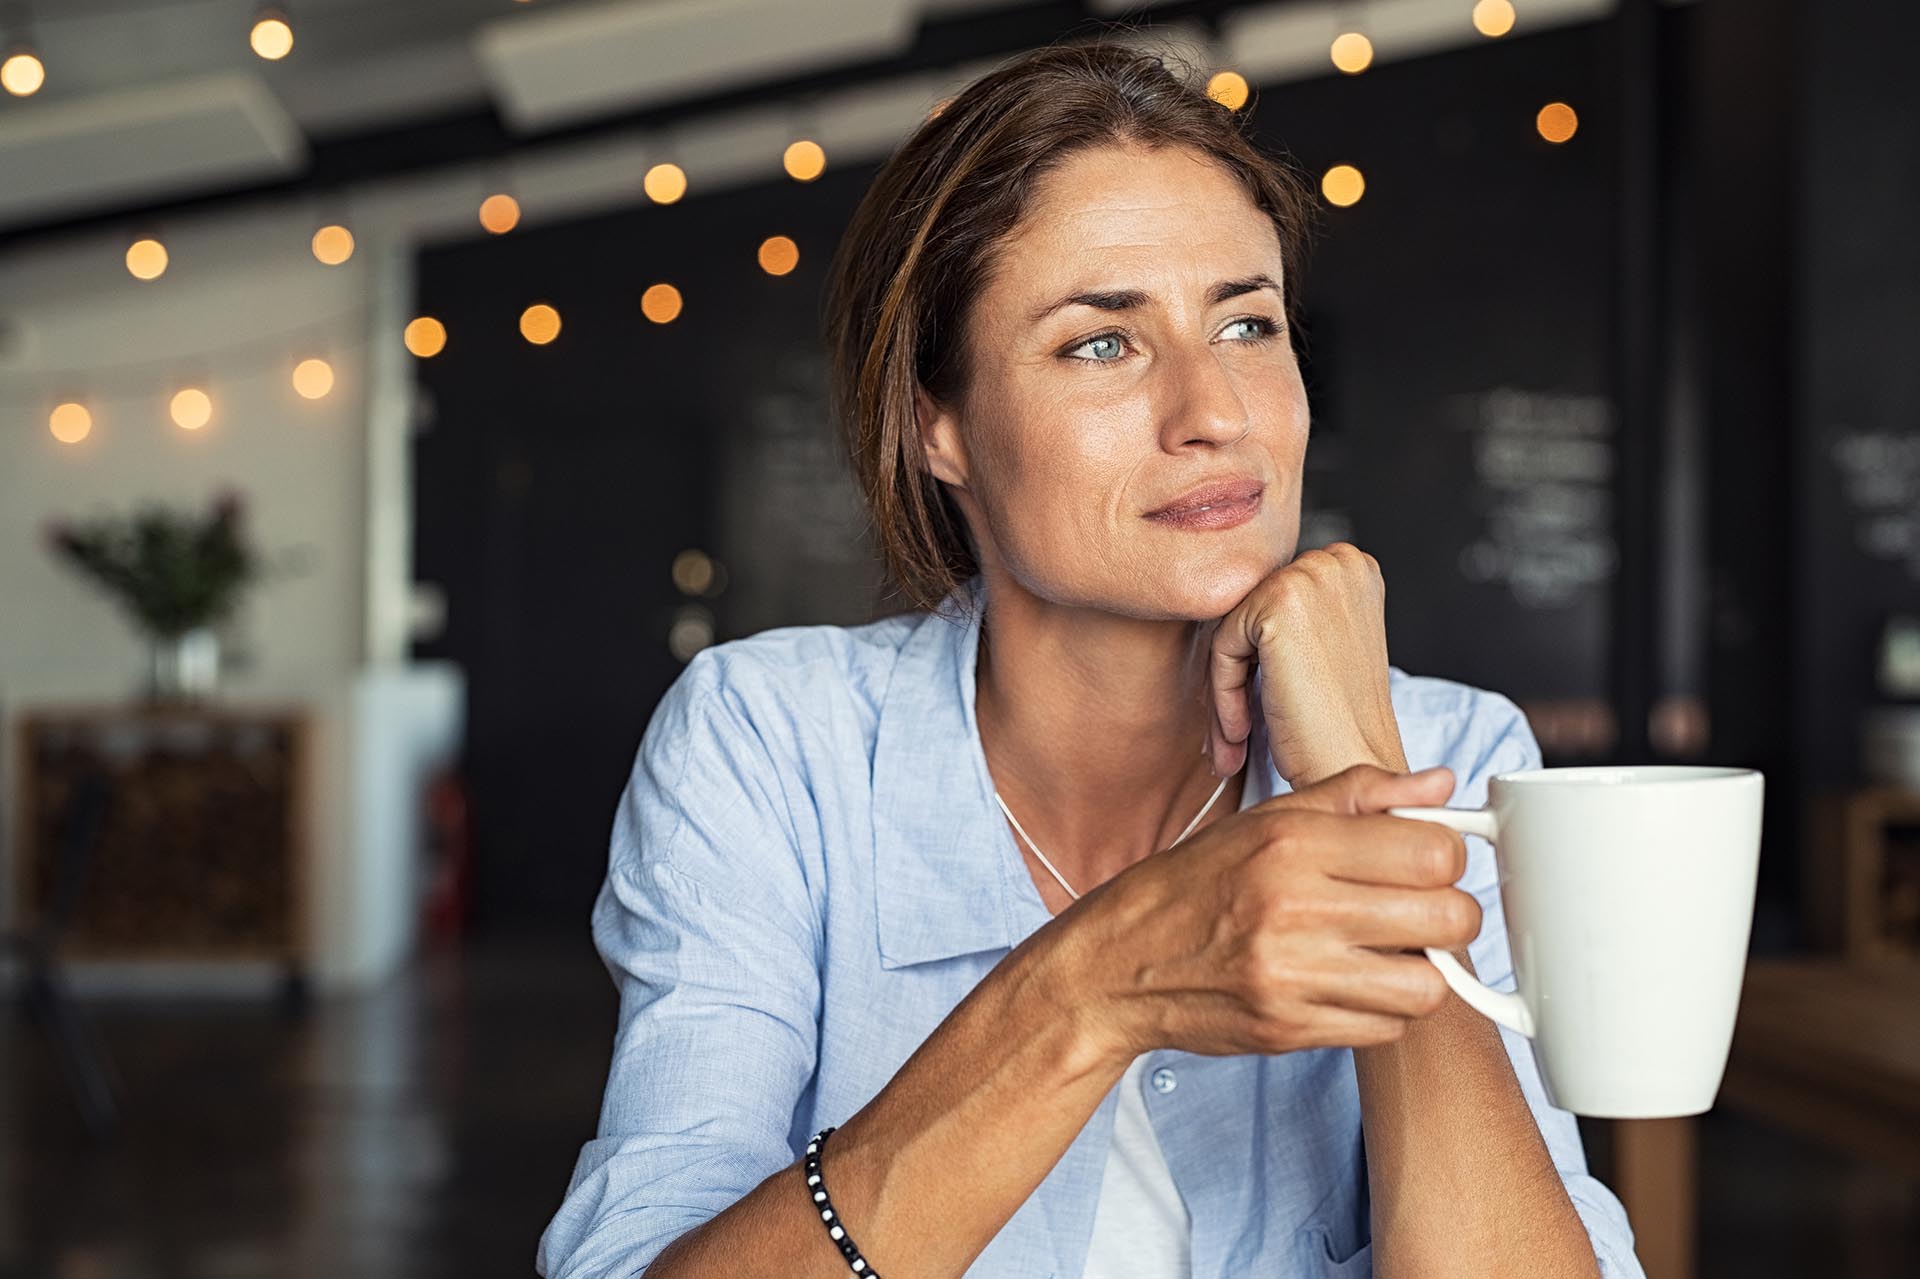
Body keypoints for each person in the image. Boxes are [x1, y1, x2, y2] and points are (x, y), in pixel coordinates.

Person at [537, 38, 1641, 1279]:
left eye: (1247, 323)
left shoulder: (1451, 756)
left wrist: (1355, 767)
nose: (1215, 411)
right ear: (934, 423)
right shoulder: (771, 744)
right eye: (1102, 344)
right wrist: (1097, 986)